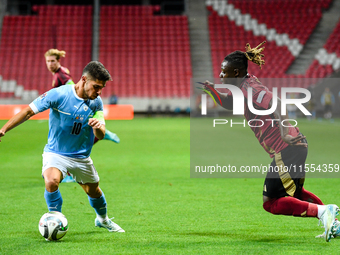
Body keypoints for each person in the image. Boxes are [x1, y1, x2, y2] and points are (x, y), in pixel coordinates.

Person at [201, 41, 339, 242]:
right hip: (295, 147)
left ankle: (325, 212)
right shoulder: (242, 87)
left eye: (224, 72)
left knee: (270, 202)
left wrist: (284, 132)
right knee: (297, 192)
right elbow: (230, 103)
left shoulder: (251, 88)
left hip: (287, 147)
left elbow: (277, 103)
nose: (221, 75)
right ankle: (333, 223)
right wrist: (213, 91)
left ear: (237, 72)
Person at [0, 61, 124, 233]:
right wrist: (4, 129)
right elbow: (29, 111)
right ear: (83, 80)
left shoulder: (96, 103)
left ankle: (102, 219)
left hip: (81, 156)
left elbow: (100, 135)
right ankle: (54, 220)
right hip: (56, 152)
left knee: (94, 191)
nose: (99, 92)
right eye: (96, 86)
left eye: (101, 88)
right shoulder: (58, 95)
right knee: (51, 181)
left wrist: (98, 127)